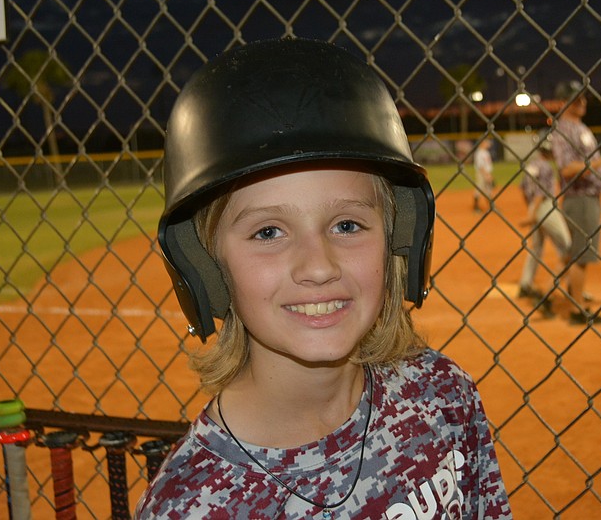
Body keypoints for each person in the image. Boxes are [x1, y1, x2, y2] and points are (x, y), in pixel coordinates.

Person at [136, 38, 512, 519]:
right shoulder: (193, 507)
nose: (318, 267)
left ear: (396, 239)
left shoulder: (442, 396)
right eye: (268, 232)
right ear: (206, 267)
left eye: (347, 225)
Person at [550, 81, 601, 325]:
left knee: (579, 252)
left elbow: (589, 165)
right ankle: (577, 309)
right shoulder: (563, 129)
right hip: (579, 198)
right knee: (581, 254)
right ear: (563, 103)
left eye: (582, 98)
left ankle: (576, 296)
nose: (582, 102)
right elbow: (567, 169)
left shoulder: (580, 127)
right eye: (575, 99)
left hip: (589, 196)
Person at [518, 133, 571, 319]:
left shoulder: (531, 165)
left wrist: (530, 210)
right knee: (568, 248)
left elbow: (523, 188)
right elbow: (541, 192)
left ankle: (525, 284)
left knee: (536, 248)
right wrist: (535, 213)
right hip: (545, 207)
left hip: (534, 206)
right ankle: (571, 287)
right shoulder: (547, 167)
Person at [473, 138, 495, 212]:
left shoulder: (486, 152)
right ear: (482, 143)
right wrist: (486, 175)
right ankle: (476, 207)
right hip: (481, 173)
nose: (488, 144)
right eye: (486, 143)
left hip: (487, 173)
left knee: (488, 190)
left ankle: (491, 207)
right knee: (479, 189)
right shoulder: (479, 153)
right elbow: (481, 166)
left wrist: (489, 174)